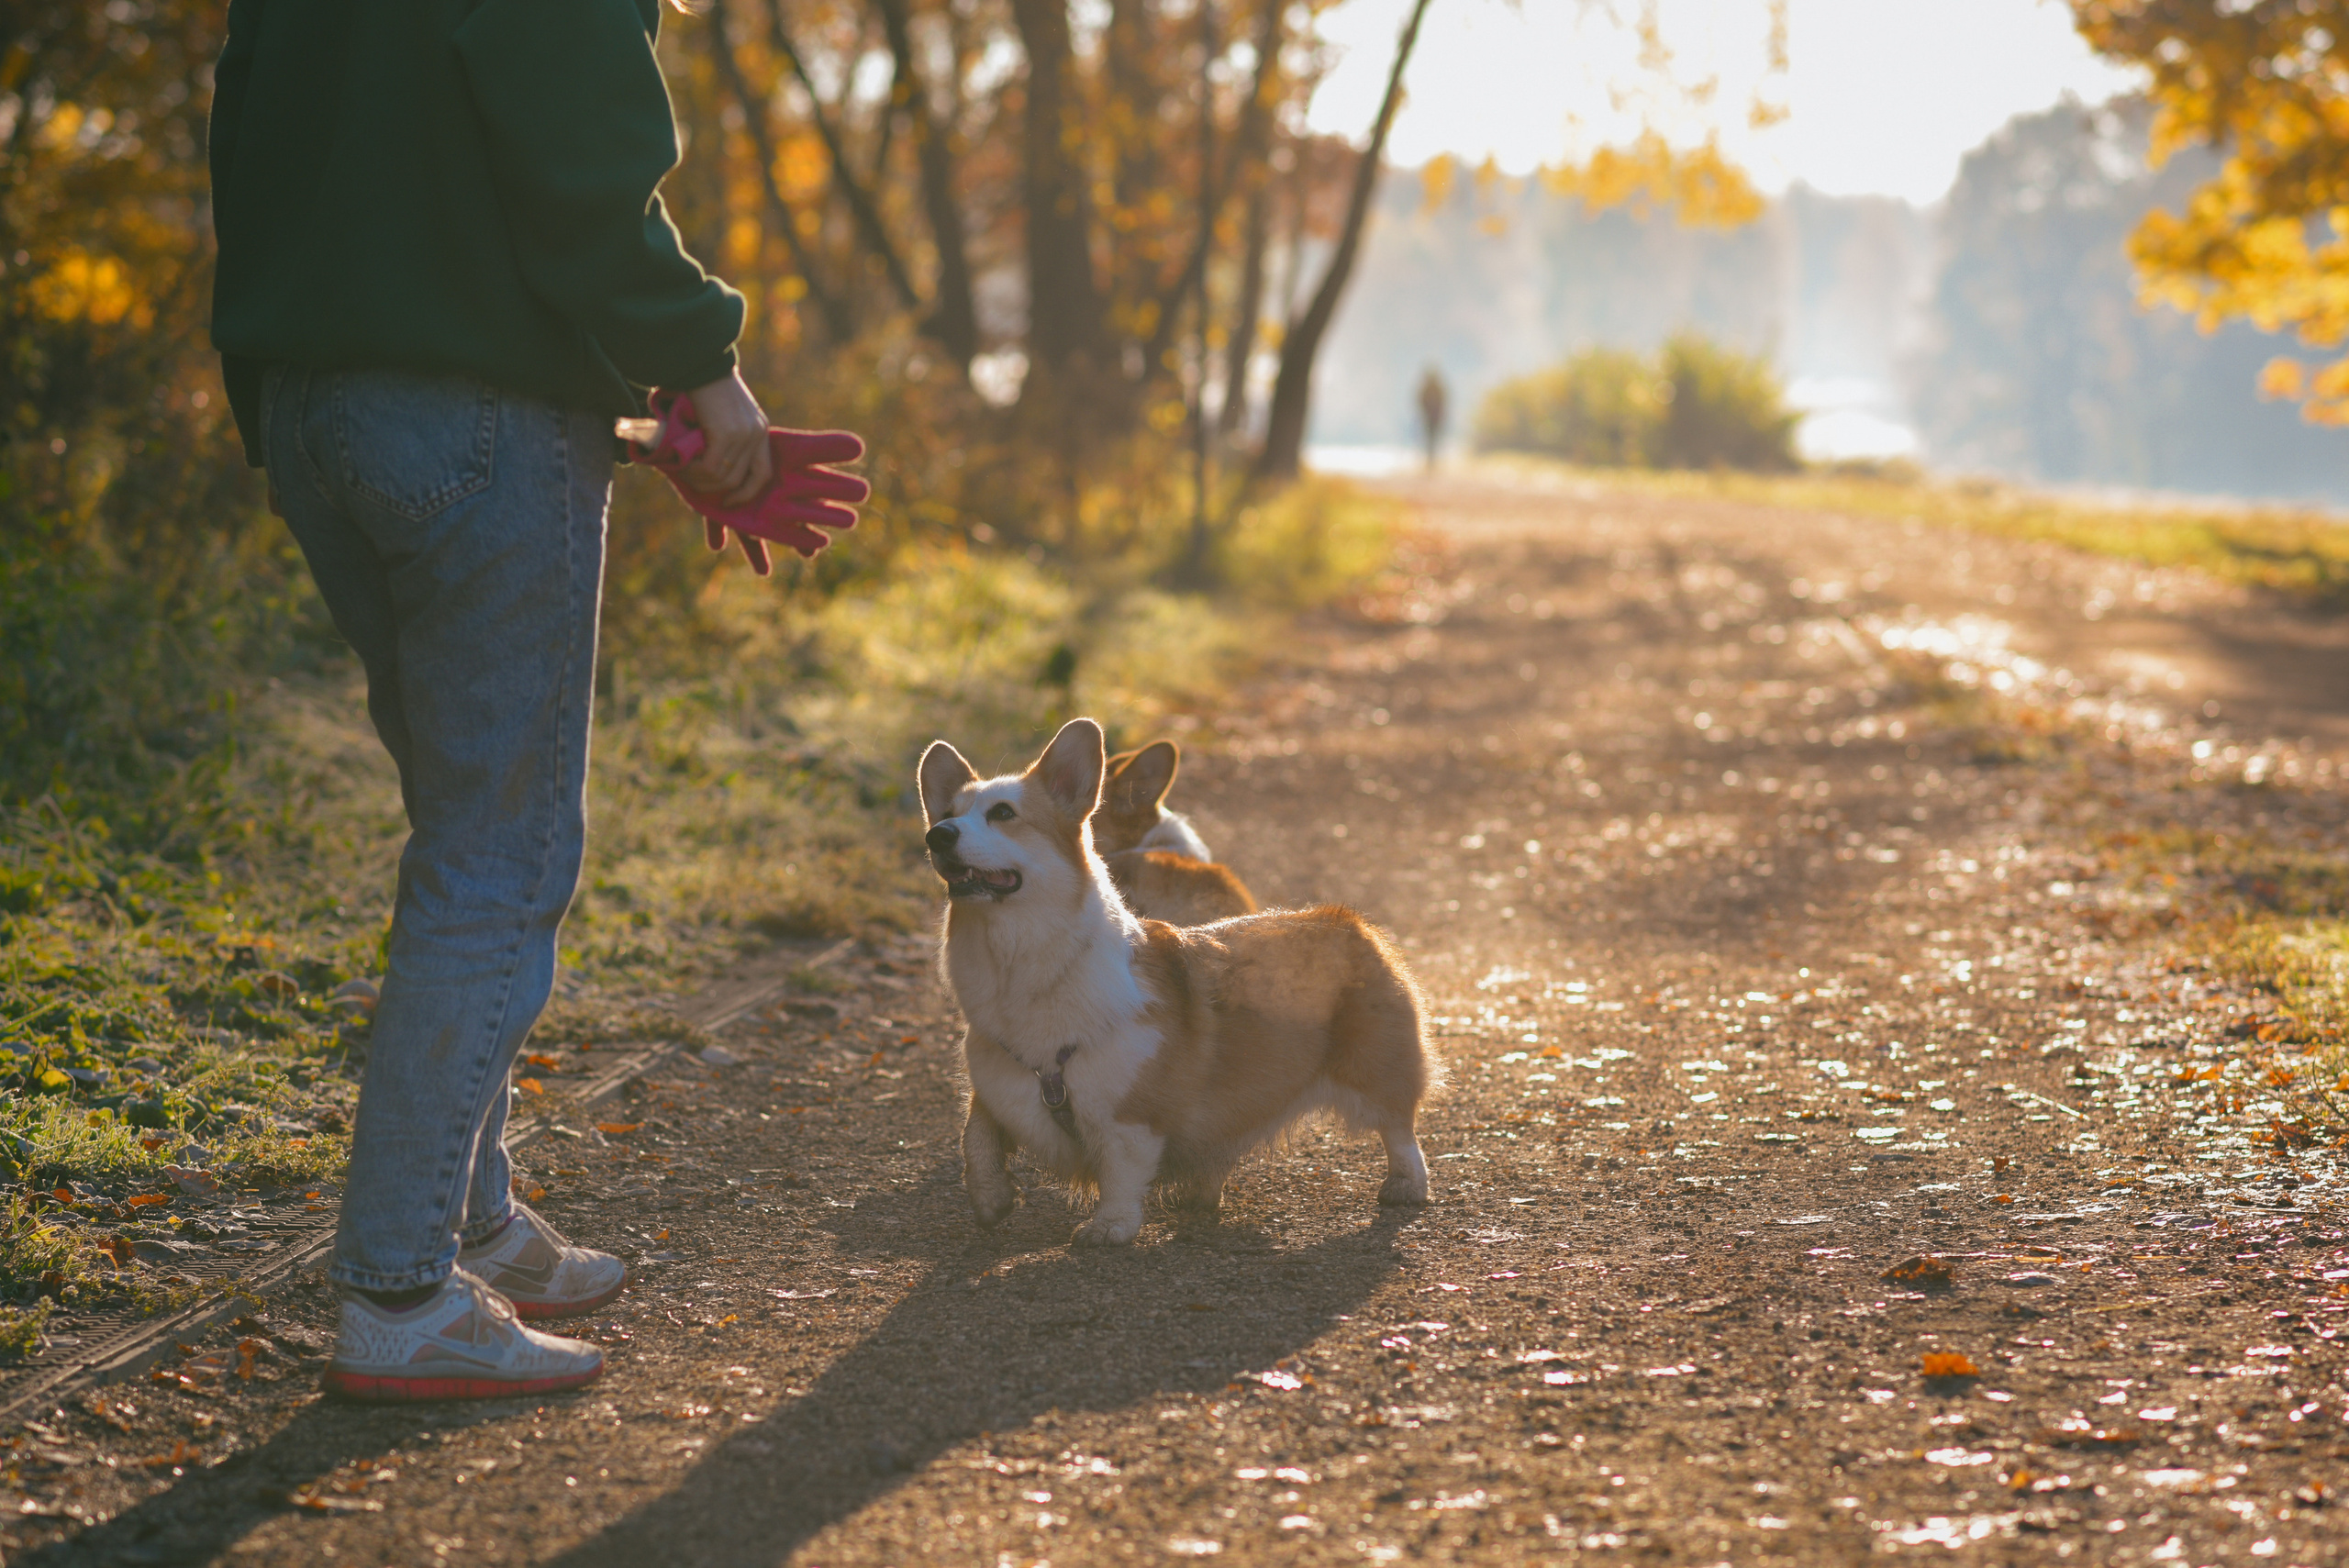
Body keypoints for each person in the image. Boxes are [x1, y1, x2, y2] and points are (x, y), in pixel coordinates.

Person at [209, 0, 839, 1400]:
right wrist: (701, 364)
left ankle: (470, 1214)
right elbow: (579, 166)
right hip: (476, 424)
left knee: (461, 829)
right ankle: (397, 1292)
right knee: (500, 856)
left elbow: (264, 143)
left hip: (320, 414)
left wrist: (617, 416)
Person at [1416, 364, 1448, 472]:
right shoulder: (1437, 388)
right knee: (1433, 439)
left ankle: (1432, 462)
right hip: (1433, 418)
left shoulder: (1428, 389)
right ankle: (1431, 462)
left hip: (1430, 418)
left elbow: (1421, 401)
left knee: (1431, 440)